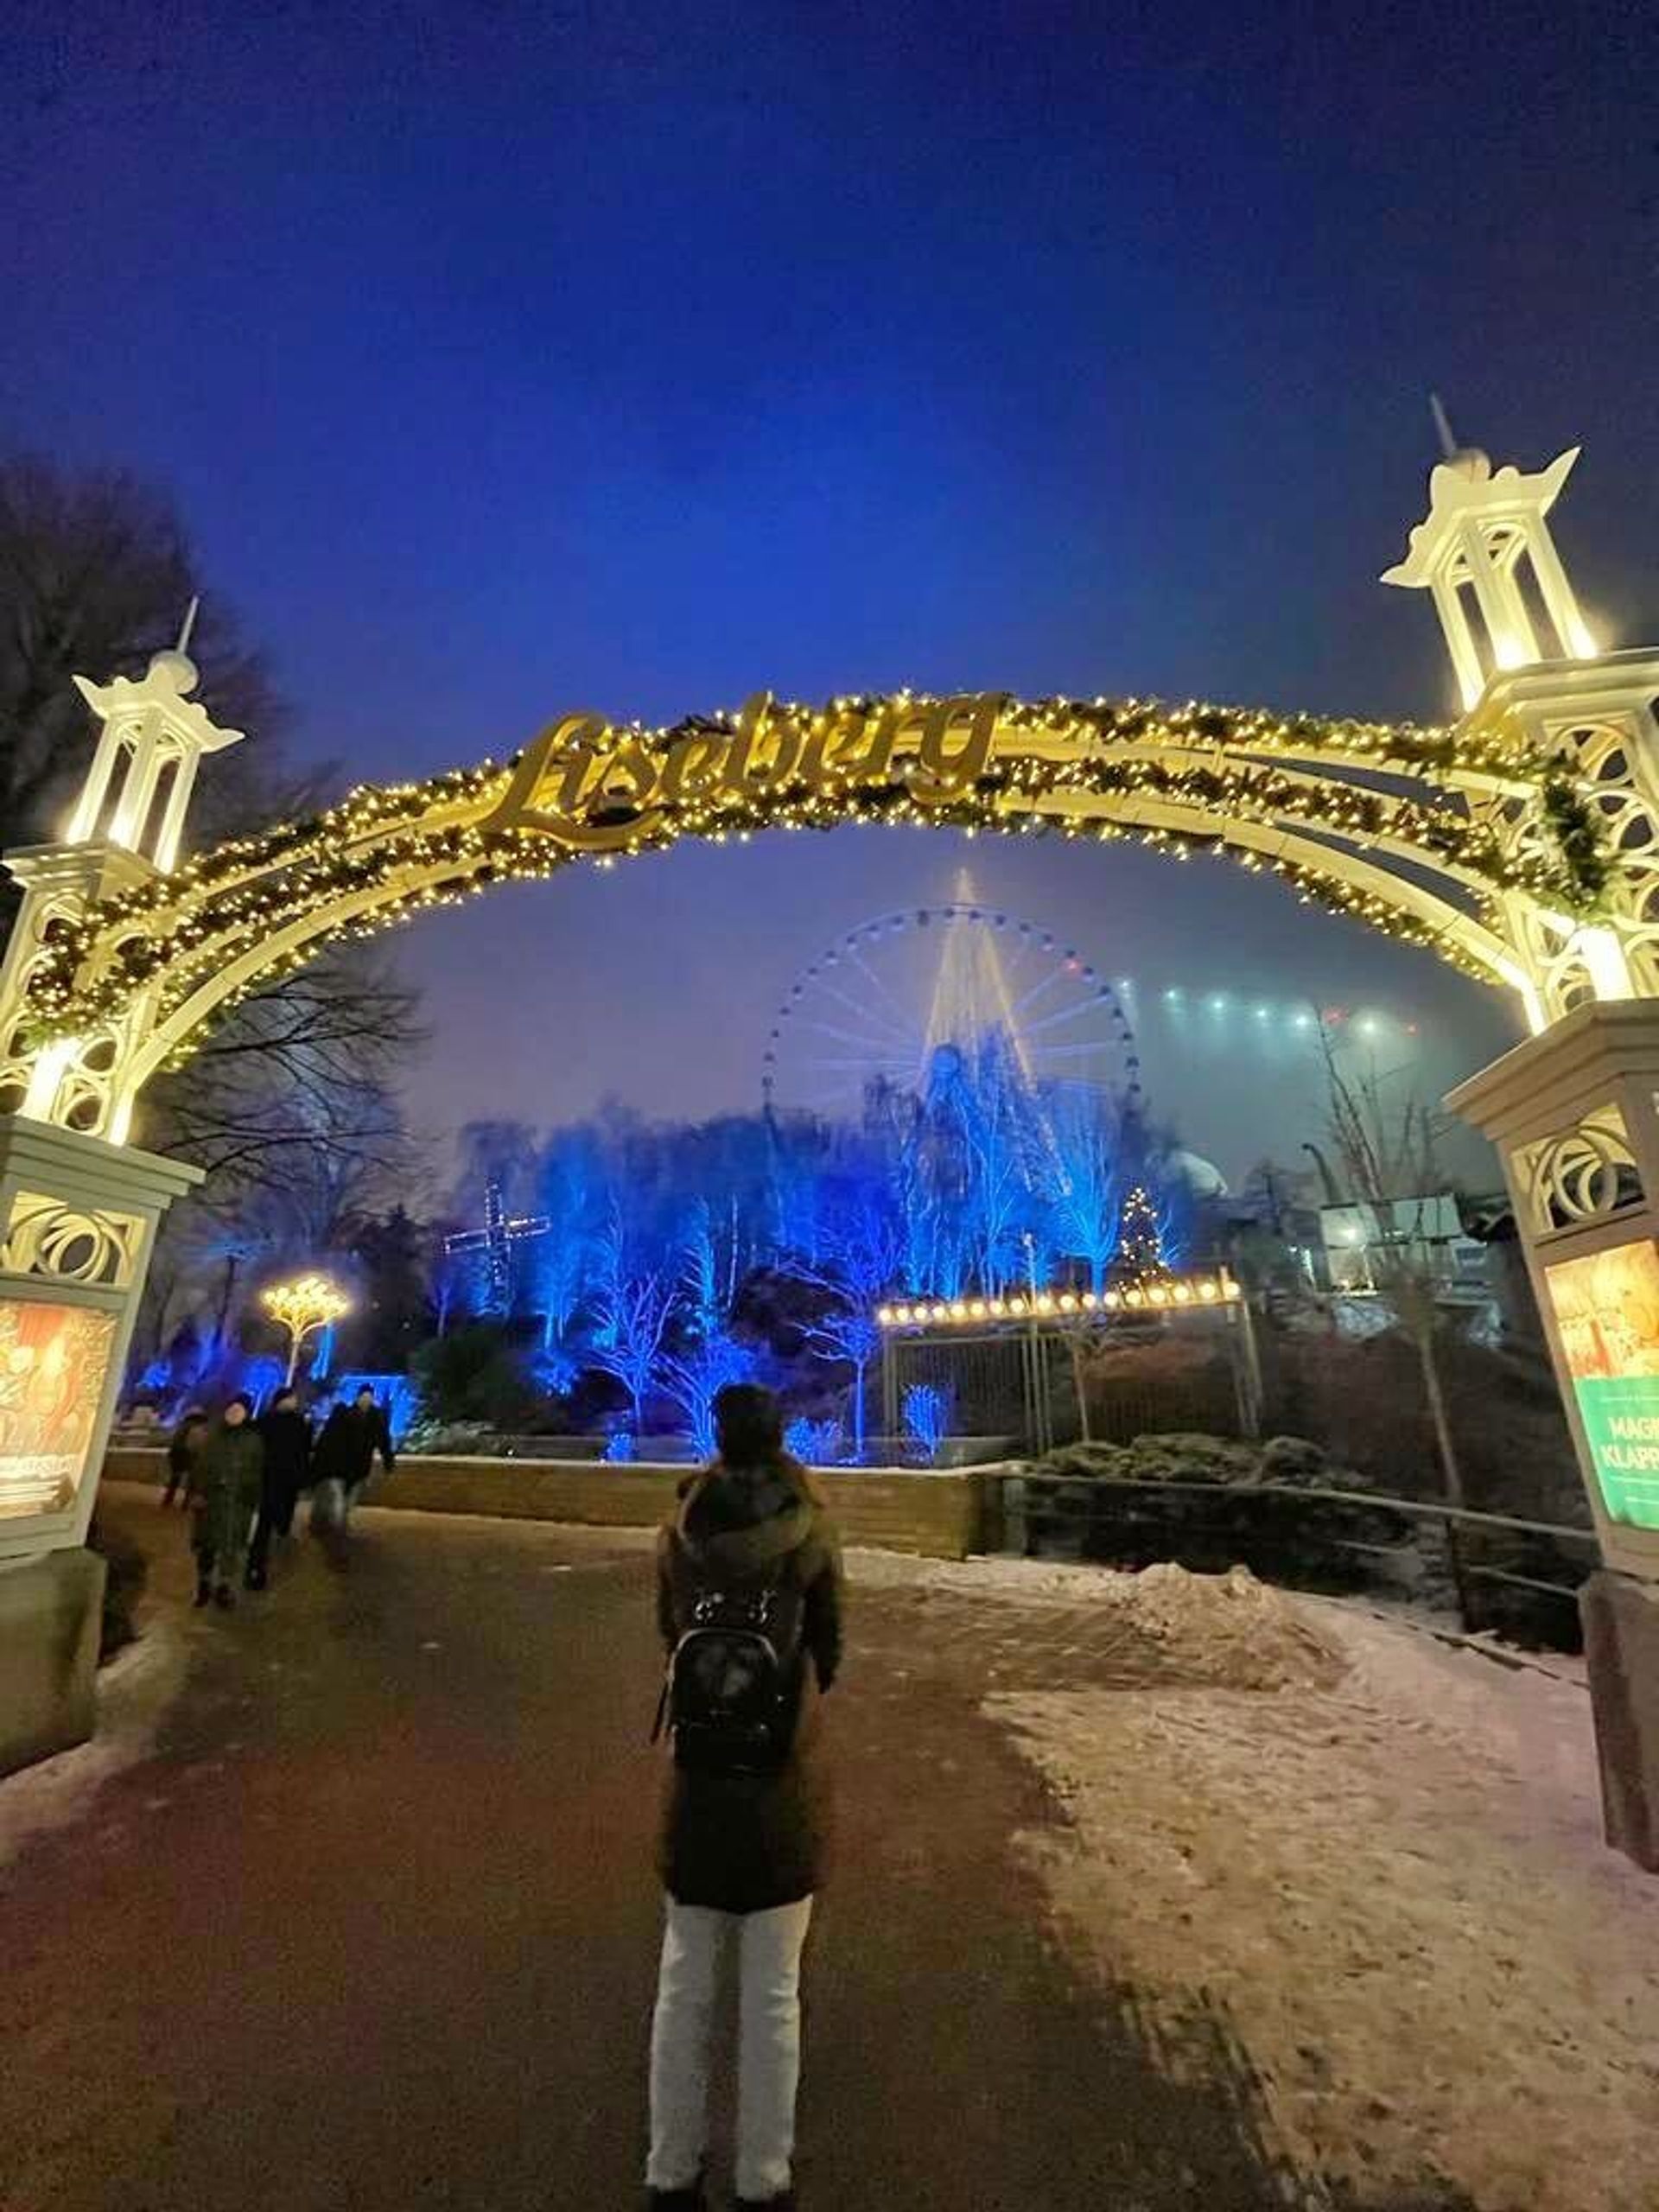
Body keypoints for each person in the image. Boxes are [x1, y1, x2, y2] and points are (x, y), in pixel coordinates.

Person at [646, 1382, 843, 2212]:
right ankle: (764, 2180)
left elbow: (667, 1635)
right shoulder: (812, 1531)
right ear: (782, 1438)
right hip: (776, 1787)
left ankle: (670, 2173)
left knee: (684, 1985)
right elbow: (829, 1651)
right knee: (772, 1998)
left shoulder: (679, 1533)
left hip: (698, 1783)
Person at [188, 1395, 264, 1610]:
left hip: (236, 1504)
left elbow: (257, 1471)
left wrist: (251, 1497)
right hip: (211, 1502)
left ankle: (224, 1586)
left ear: (247, 1414)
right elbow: (199, 1466)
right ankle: (203, 1583)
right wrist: (198, 1492)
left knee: (230, 1548)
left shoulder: (253, 1440)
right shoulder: (212, 1436)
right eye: (232, 1409)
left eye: (240, 1410)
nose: (234, 1413)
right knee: (207, 1546)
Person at [246, 1387, 313, 1589]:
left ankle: (274, 1544)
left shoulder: (300, 1422)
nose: (295, 1402)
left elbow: (305, 1450)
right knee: (266, 1523)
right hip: (271, 1479)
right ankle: (256, 1567)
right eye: (292, 1398)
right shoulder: (266, 1422)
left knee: (281, 1518)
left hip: (289, 1480)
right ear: (281, 1401)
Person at [310, 1384, 395, 1534]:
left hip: (358, 1469)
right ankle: (337, 1529)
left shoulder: (375, 1419)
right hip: (340, 1467)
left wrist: (388, 1461)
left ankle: (336, 1524)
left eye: (369, 1397)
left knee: (347, 1502)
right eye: (364, 1396)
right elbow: (330, 1441)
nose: (367, 1400)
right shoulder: (346, 1415)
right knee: (337, 1499)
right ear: (358, 1397)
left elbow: (383, 1441)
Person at [162, 1407, 208, 1510]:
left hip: (176, 1455)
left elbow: (174, 1442)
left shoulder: (181, 1427)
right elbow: (196, 1445)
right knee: (192, 1481)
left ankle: (168, 1501)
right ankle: (185, 1504)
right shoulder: (198, 1429)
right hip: (188, 1455)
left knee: (174, 1480)